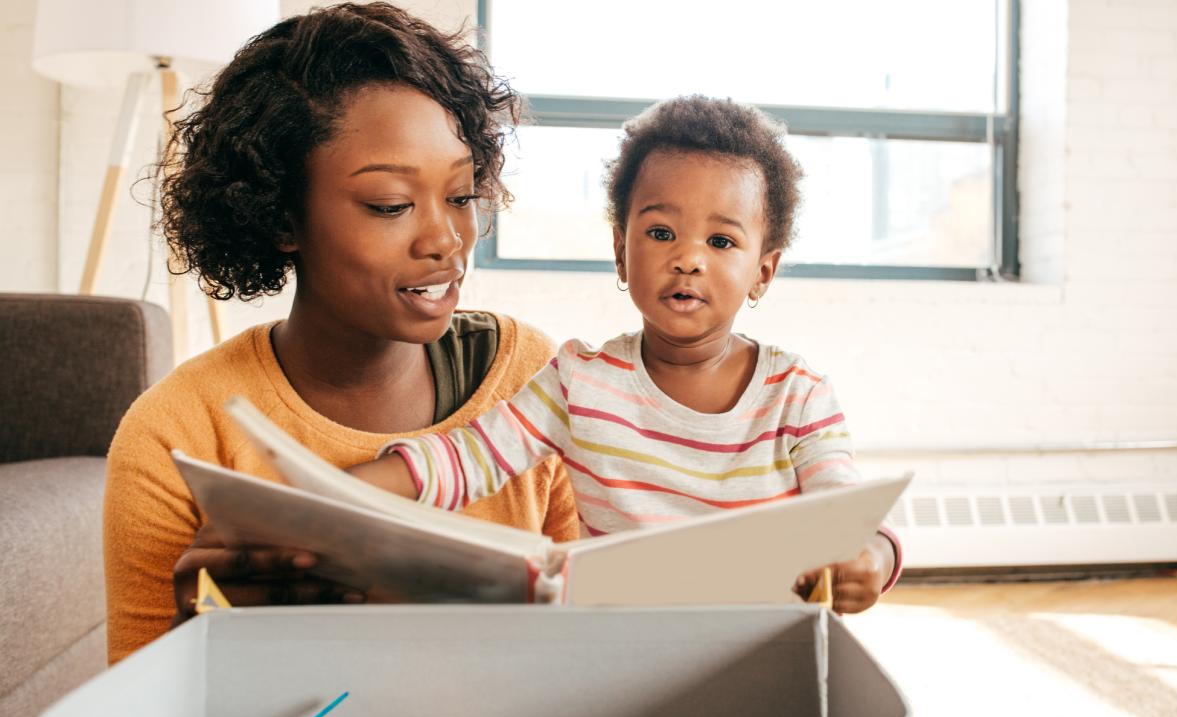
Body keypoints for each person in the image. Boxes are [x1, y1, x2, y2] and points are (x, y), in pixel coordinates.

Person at [102, 2, 580, 665]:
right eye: (390, 205)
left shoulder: (532, 378)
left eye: (463, 196)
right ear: (279, 216)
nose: (446, 241)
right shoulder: (179, 432)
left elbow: (600, 637)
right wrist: (196, 639)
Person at [349, 96, 903, 614]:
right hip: (621, 647)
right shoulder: (578, 384)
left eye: (721, 242)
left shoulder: (798, 395)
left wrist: (871, 560)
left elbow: (848, 512)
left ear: (763, 273)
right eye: (661, 232)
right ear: (620, 252)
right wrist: (334, 492)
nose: (688, 258)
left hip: (764, 645)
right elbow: (467, 460)